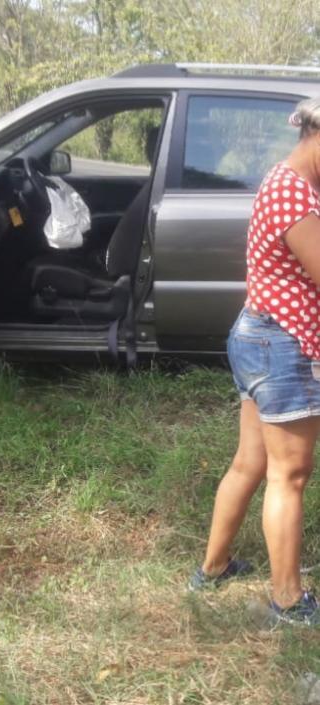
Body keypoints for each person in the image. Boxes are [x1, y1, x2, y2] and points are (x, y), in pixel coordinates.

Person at [194, 96, 320, 626]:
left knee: (251, 462)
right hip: (282, 344)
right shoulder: (294, 194)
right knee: (289, 473)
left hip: (259, 335)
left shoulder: (289, 181)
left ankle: (214, 567)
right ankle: (288, 601)